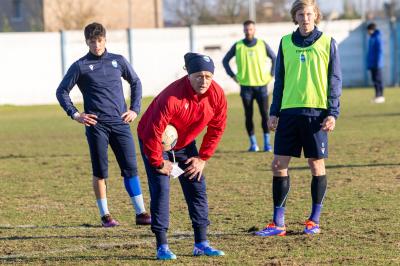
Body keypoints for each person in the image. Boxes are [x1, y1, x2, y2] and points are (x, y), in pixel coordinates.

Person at [255, 0, 342, 237]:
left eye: (309, 14)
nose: (305, 18)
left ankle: (313, 220)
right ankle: (278, 223)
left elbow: (334, 80)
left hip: (316, 114)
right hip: (289, 113)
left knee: (316, 165)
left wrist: (332, 113)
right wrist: (274, 111)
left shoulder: (328, 43)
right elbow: (280, 80)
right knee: (277, 165)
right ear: (295, 17)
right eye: (301, 14)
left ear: (316, 16)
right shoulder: (284, 43)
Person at [56, 22, 151, 227]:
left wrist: (134, 109)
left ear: (105, 40)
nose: (96, 45)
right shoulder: (80, 66)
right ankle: (105, 215)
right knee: (100, 171)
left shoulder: (118, 61)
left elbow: (136, 82)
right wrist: (75, 114)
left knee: (131, 168)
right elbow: (61, 91)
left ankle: (141, 212)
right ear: (87, 42)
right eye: (92, 42)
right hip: (96, 126)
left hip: (120, 123)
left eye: (99, 41)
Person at [137, 52, 227, 260]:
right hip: (155, 142)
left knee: (196, 185)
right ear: (188, 74)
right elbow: (152, 132)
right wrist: (159, 162)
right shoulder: (172, 97)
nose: (204, 81)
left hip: (185, 144)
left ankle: (202, 243)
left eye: (208, 76)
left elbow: (217, 128)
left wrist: (202, 158)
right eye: (198, 76)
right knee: (161, 188)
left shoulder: (217, 95)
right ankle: (162, 246)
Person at [223, 20, 276, 152]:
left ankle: (267, 144)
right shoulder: (238, 45)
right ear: (243, 30)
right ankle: (253, 144)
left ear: (254, 30)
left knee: (265, 115)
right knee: (248, 115)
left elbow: (275, 58)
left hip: (262, 86)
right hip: (246, 87)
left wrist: (271, 74)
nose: (248, 31)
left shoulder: (262, 44)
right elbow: (225, 61)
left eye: (251, 29)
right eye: (246, 29)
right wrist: (233, 76)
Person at [367, 22, 385, 103]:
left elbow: (379, 51)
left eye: (368, 30)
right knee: (374, 80)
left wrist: (377, 63)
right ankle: (377, 95)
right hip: (372, 63)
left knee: (378, 80)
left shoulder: (377, 38)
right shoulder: (372, 38)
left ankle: (380, 96)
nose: (367, 32)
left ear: (371, 30)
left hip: (377, 63)